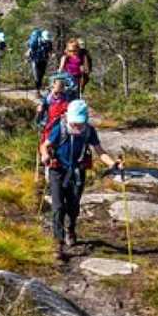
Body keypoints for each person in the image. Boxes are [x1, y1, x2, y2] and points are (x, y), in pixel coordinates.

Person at [40, 100, 122, 259]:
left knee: (73, 206)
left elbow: (100, 152)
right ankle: (58, 243)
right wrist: (44, 155)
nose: (77, 126)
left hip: (77, 172)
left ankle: (70, 228)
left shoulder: (89, 131)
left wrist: (113, 164)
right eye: (74, 122)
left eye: (80, 122)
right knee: (58, 207)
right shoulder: (61, 127)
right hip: (57, 170)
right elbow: (45, 145)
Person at [27, 29, 54, 95]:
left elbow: (50, 51)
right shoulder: (35, 42)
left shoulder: (49, 42)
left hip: (44, 60)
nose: (46, 40)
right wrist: (28, 55)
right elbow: (30, 50)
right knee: (36, 76)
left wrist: (51, 55)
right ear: (42, 37)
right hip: (35, 60)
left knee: (41, 75)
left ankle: (38, 90)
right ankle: (37, 91)